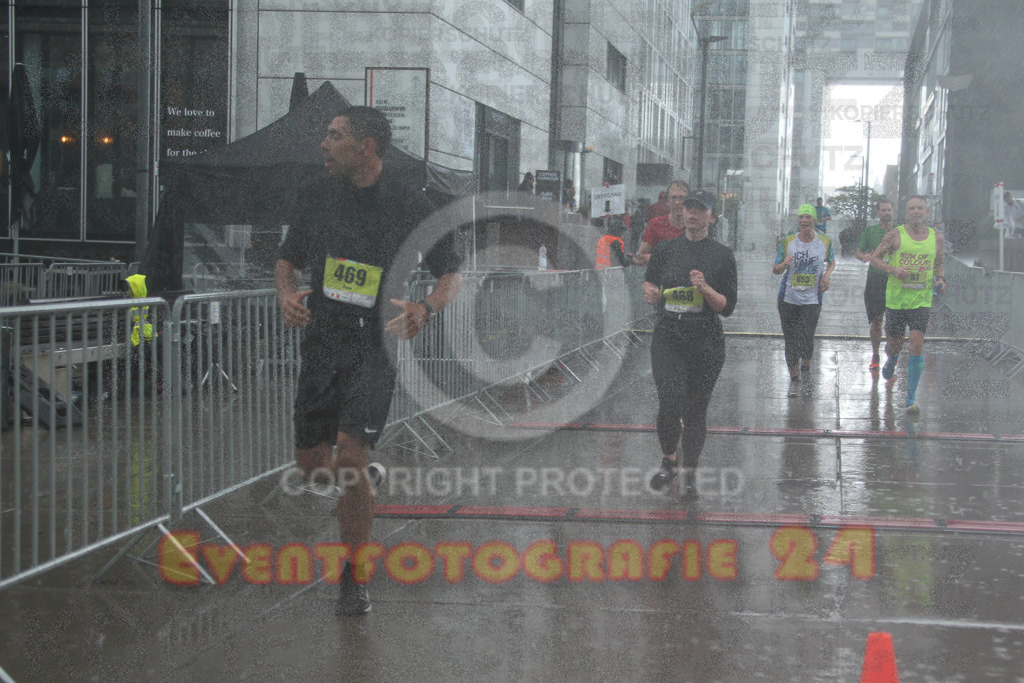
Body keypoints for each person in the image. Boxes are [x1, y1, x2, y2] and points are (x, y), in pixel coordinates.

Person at [275, 106, 462, 616]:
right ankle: (360, 481)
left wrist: (426, 307)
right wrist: (286, 292)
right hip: (323, 343)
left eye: (333, 136)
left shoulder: (410, 202)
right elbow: (287, 258)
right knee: (315, 470)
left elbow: (450, 274)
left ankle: (353, 577)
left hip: (375, 347)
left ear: (366, 147)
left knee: (351, 462)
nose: (323, 144)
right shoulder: (316, 194)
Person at [643, 190, 737, 498]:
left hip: (706, 341)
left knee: (696, 411)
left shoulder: (722, 255)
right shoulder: (665, 250)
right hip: (669, 337)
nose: (692, 215)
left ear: (711, 216)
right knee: (670, 401)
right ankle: (669, 459)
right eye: (688, 209)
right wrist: (651, 293)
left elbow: (727, 307)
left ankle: (691, 473)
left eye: (699, 210)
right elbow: (650, 281)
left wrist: (706, 288)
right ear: (682, 213)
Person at [870, 195, 946, 415]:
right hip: (896, 300)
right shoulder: (896, 234)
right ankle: (891, 358)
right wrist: (894, 271)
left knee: (916, 342)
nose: (916, 212)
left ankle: (910, 397)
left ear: (927, 212)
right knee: (896, 344)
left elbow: (939, 263)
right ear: (906, 213)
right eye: (912, 208)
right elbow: (875, 259)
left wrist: (941, 280)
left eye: (920, 208)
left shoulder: (936, 237)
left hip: (921, 301)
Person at [774, 204, 836, 395]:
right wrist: (784, 264)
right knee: (790, 338)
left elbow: (832, 261)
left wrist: (826, 276)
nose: (804, 221)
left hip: (812, 298)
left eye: (808, 217)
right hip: (788, 298)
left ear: (815, 220)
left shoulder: (824, 241)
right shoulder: (789, 241)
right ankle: (794, 378)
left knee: (807, 336)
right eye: (801, 217)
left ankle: (806, 368)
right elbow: (775, 269)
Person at [856, 198, 896, 371]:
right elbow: (858, 251)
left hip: (895, 279)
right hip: (875, 278)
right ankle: (875, 354)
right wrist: (863, 256)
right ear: (878, 213)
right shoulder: (870, 231)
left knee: (892, 321)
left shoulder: (900, 232)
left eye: (889, 210)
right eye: (883, 210)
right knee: (877, 320)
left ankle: (891, 352)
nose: (886, 213)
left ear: (893, 212)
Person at [633, 180, 690, 266]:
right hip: (660, 278)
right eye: (674, 198)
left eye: (681, 198)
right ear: (667, 201)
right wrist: (666, 258)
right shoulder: (655, 224)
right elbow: (640, 257)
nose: (677, 202)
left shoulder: (695, 225)